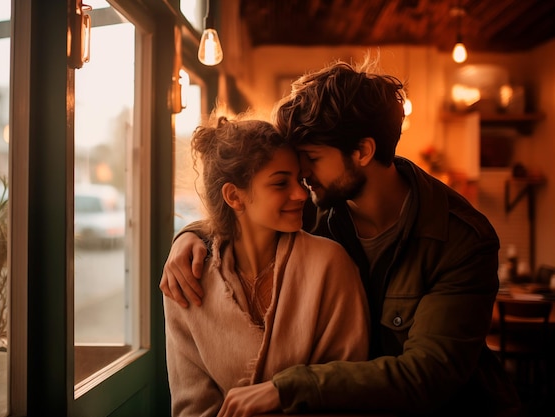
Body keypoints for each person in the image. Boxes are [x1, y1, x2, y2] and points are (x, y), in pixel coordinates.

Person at [160, 56, 522, 417]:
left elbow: (427, 375)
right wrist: (193, 236)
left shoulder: (461, 240)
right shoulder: (318, 202)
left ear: (362, 151)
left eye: (312, 157)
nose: (302, 176)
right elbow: (249, 211)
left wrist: (288, 388)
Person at [163, 115, 370, 416]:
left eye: (299, 179)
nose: (301, 193)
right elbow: (191, 404)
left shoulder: (330, 265)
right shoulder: (188, 280)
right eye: (280, 183)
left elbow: (345, 386)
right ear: (234, 196)